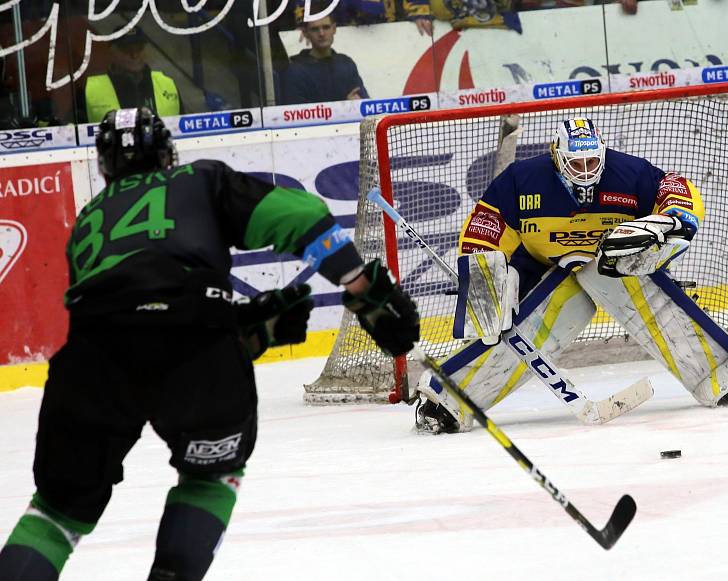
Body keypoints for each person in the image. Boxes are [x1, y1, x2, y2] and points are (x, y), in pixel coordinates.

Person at [0, 107, 420, 580]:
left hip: (90, 363)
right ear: (167, 154)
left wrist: (236, 326)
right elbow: (301, 217)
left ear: (103, 166)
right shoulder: (197, 181)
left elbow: (132, 314)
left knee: (57, 513)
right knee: (208, 478)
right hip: (195, 349)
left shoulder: (87, 222)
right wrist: (361, 287)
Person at [415, 116, 728, 434]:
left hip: (611, 265)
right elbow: (484, 230)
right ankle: (447, 401)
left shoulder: (629, 174)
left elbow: (675, 190)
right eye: (575, 164)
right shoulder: (522, 181)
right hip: (542, 270)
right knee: (540, 322)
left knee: (618, 275)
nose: (585, 171)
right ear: (557, 158)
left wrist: (675, 219)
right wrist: (486, 281)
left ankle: (721, 372)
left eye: (592, 162)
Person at [78, 26, 183, 123]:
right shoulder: (90, 89)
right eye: (126, 49)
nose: (134, 55)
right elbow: (72, 134)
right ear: (112, 53)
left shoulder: (167, 84)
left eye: (139, 48)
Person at [280, 15, 369, 105]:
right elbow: (296, 113)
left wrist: (357, 103)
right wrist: (345, 107)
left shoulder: (346, 63)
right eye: (315, 29)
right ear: (305, 32)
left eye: (326, 27)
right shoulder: (294, 70)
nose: (321, 33)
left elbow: (364, 102)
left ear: (334, 29)